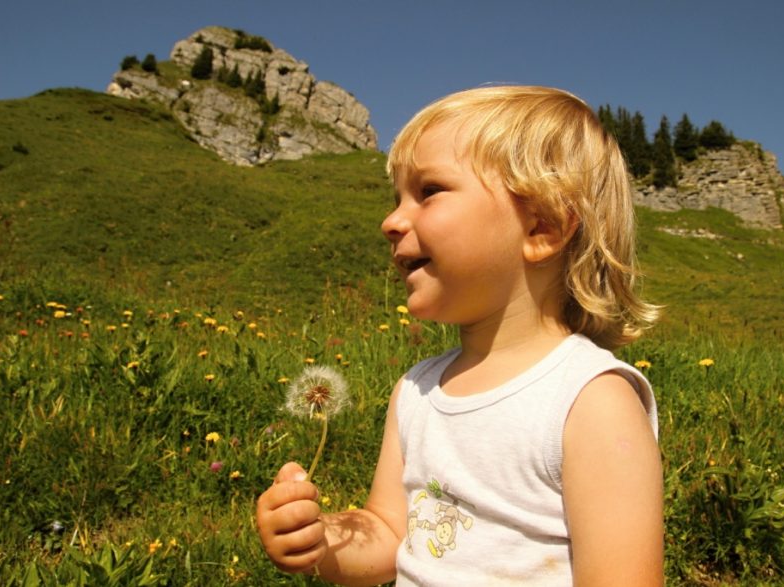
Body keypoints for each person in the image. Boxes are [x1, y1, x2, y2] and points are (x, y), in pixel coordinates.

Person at [257, 85, 664, 585]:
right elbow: (388, 532)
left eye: (429, 192)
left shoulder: (589, 400)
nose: (390, 221)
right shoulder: (416, 390)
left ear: (543, 227)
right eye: (397, 199)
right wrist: (319, 539)